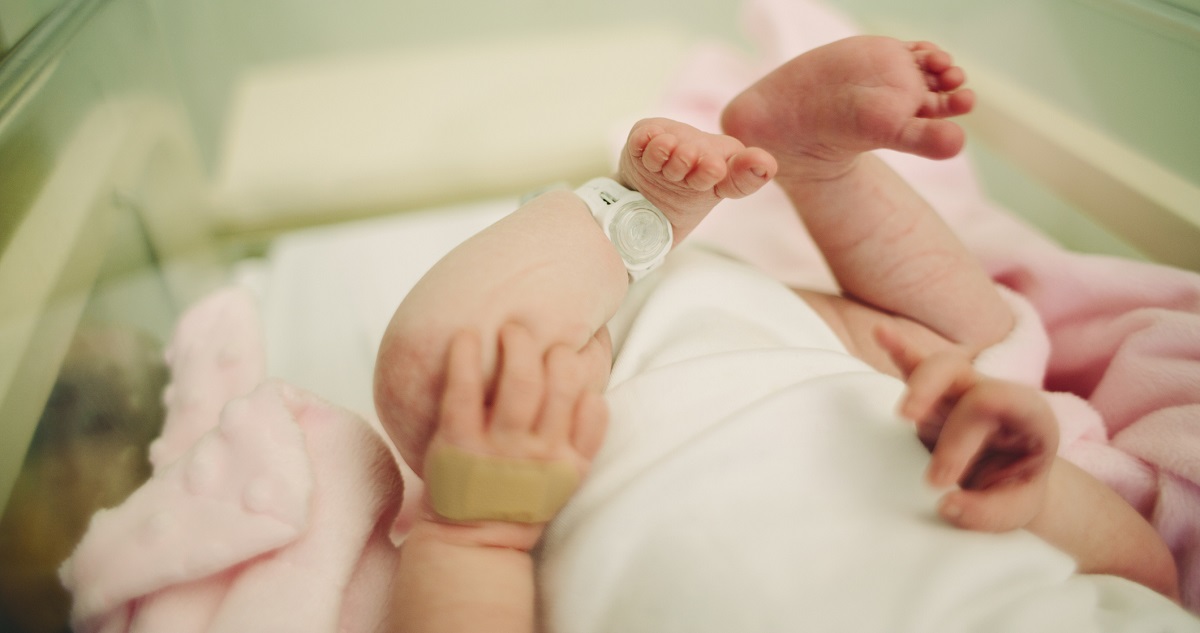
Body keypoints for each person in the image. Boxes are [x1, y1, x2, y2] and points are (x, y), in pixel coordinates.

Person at [377, 36, 1181, 632]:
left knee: (441, 375)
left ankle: (632, 223)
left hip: (568, 421)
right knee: (975, 336)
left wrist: (476, 530)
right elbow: (1149, 573)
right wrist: (1033, 489)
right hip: (889, 403)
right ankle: (815, 165)